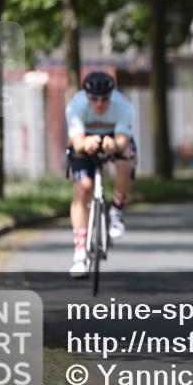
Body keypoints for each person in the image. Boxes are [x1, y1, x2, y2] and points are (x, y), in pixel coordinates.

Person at [65, 71, 136, 278]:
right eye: (93, 99)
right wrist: (86, 143)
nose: (99, 104)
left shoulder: (123, 105)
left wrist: (114, 144)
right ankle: (80, 253)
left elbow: (123, 139)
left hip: (114, 139)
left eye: (104, 99)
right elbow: (77, 141)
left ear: (111, 95)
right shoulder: (75, 105)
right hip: (86, 141)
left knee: (126, 160)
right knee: (83, 187)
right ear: (86, 96)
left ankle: (116, 210)